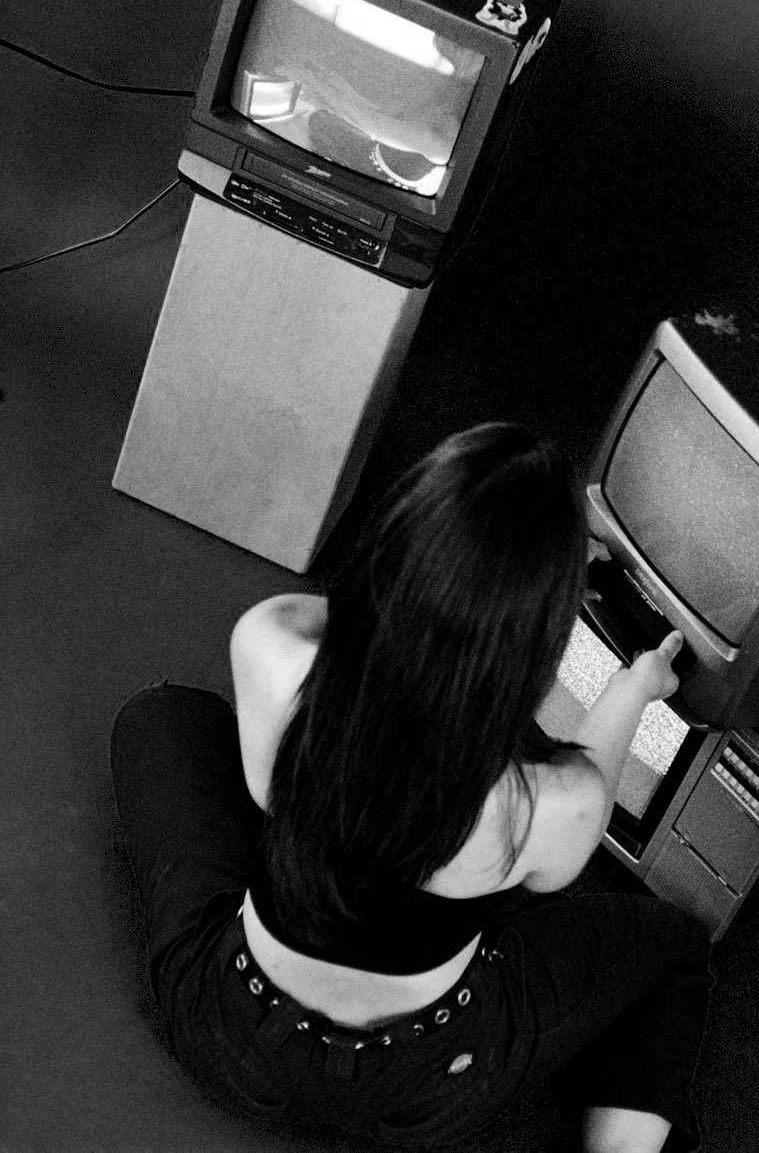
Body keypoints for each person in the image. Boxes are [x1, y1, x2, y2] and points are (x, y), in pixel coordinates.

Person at [111, 422, 712, 1153]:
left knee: (163, 716)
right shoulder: (554, 801)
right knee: (675, 945)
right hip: (431, 1088)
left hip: (232, 1040)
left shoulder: (271, 642)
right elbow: (576, 790)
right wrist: (634, 686)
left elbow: (362, 631)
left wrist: (450, 589)